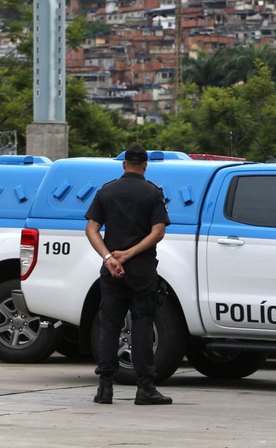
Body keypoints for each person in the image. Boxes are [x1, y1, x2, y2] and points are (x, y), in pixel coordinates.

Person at [84, 145, 172, 405]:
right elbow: (158, 232)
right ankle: (145, 388)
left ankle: (104, 388)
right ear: (145, 166)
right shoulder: (152, 193)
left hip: (112, 270)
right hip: (142, 269)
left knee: (110, 325)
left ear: (124, 164)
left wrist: (109, 258)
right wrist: (129, 254)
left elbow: (91, 229)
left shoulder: (106, 191)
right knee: (142, 324)